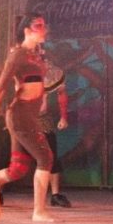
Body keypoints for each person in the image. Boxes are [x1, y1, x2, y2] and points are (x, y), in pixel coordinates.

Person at [0, 13, 55, 222]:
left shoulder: (36, 56)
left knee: (18, 169)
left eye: (44, 25)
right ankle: (39, 211)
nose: (43, 29)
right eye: (38, 26)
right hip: (20, 116)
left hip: (30, 115)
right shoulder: (18, 54)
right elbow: (1, 84)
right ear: (26, 31)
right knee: (45, 157)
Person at [40, 57, 71, 207]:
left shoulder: (52, 73)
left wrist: (64, 117)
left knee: (51, 157)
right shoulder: (21, 69)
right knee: (18, 166)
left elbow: (61, 92)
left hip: (43, 120)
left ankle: (55, 195)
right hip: (23, 120)